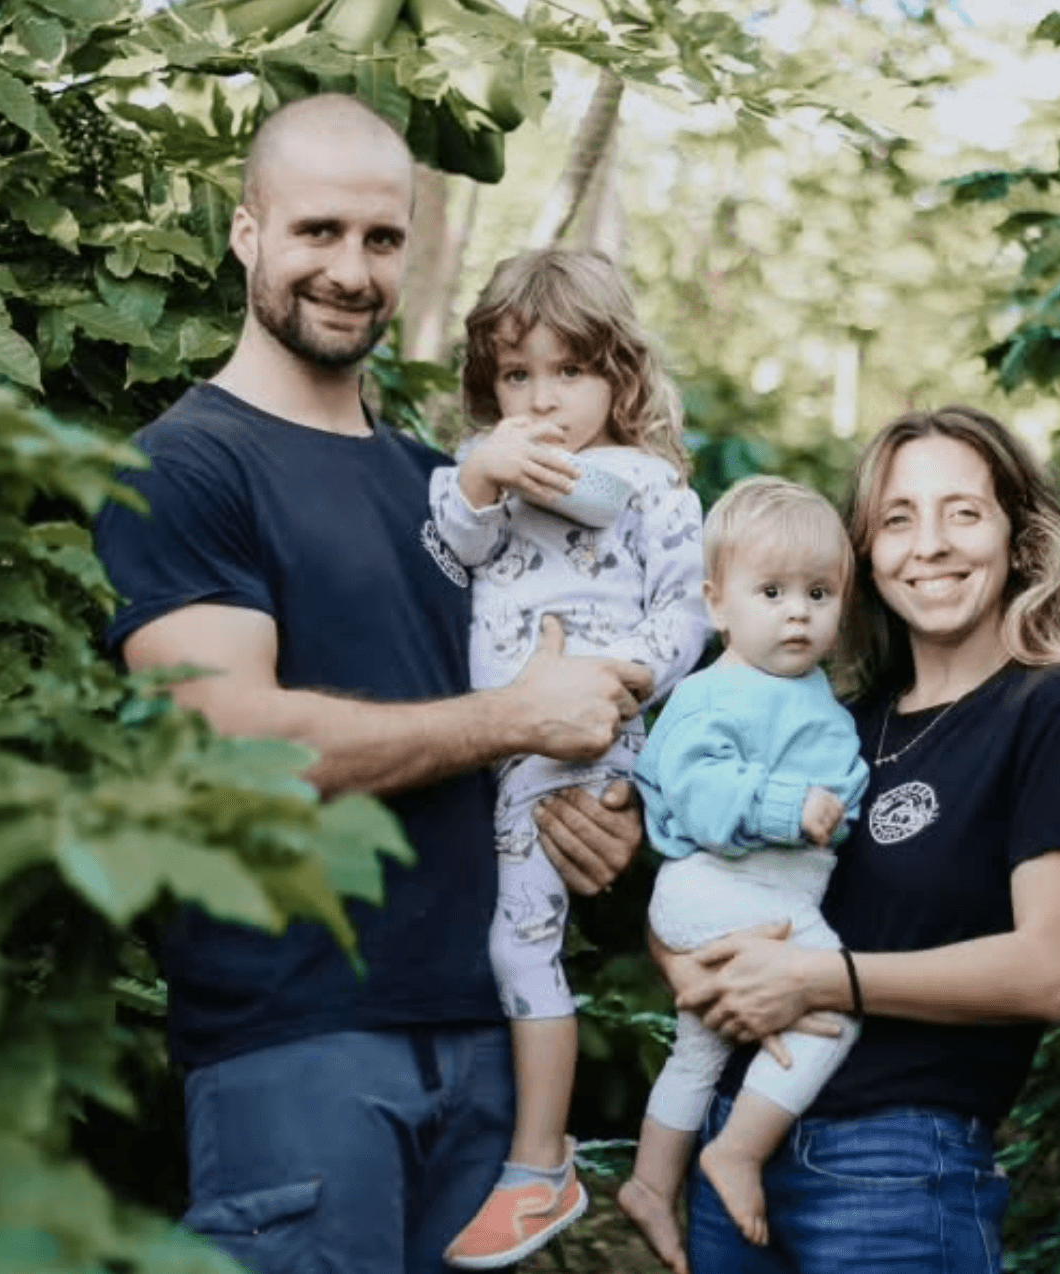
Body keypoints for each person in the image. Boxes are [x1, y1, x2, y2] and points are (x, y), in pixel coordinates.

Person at [92, 94, 654, 1274]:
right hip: (298, 1046)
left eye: (382, 239)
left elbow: (537, 718)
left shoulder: (451, 487)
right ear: (247, 233)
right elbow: (234, 741)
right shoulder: (184, 466)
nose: (350, 270)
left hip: (488, 1049)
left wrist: (596, 812)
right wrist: (515, 718)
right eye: (317, 231)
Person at [660, 405, 1060, 1274]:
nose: (931, 545)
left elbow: (1050, 972)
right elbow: (705, 869)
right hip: (738, 1144)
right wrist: (682, 964)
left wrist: (817, 978)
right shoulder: (836, 725)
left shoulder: (1055, 708)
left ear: (1020, 537)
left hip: (895, 1173)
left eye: (963, 512)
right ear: (865, 559)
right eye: (897, 519)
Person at [430, 248, 712, 1270]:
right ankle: (520, 1149)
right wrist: (478, 470)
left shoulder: (657, 489)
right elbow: (446, 548)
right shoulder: (492, 478)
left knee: (520, 944)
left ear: (619, 377)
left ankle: (539, 1160)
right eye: (516, 374)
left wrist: (608, 678)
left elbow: (689, 616)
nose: (543, 400)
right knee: (494, 933)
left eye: (570, 372)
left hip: (578, 742)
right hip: (486, 745)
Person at [614, 477, 871, 1274]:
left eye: (819, 593)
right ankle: (737, 1151)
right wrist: (790, 805)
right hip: (720, 888)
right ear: (717, 603)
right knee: (835, 998)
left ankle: (653, 1182)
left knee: (697, 1055)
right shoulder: (712, 693)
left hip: (757, 892)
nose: (798, 611)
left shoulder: (808, 692)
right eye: (772, 591)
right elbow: (698, 792)